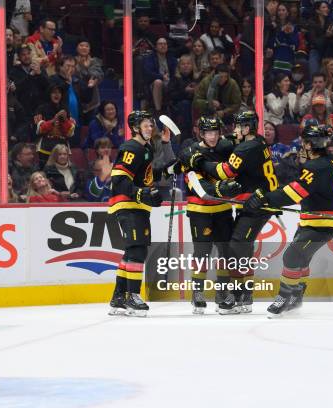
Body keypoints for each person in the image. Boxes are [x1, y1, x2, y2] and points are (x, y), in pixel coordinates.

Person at [243, 124, 333, 316]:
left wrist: (265, 199)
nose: (302, 145)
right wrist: (273, 197)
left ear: (308, 145)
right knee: (303, 257)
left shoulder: (316, 166)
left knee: (291, 256)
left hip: (324, 221)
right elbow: (303, 185)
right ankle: (296, 297)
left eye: (304, 142)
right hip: (317, 218)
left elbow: (295, 192)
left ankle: (284, 297)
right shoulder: (329, 161)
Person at [184, 111, 279, 313]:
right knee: (230, 249)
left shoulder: (242, 148)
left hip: (251, 205)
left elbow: (223, 172)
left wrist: (199, 161)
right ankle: (233, 295)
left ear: (246, 128)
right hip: (246, 203)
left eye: (237, 126)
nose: (233, 130)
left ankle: (238, 296)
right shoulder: (258, 142)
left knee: (235, 247)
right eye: (208, 132)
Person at [165, 117, 241, 314]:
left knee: (225, 252)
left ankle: (222, 291)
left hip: (223, 209)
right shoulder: (191, 152)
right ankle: (197, 292)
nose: (213, 136)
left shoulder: (224, 148)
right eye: (209, 133)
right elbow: (193, 182)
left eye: (215, 132)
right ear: (201, 133)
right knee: (202, 253)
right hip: (200, 210)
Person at [107, 111, 165, 317]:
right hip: (127, 204)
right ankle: (133, 295)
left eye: (151, 125)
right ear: (135, 128)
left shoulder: (146, 148)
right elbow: (118, 179)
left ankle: (119, 297)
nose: (151, 128)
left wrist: (167, 167)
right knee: (138, 250)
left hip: (136, 205)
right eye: (146, 125)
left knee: (132, 250)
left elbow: (149, 174)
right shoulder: (131, 147)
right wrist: (141, 193)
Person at [34, 84, 75, 165]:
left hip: (63, 146)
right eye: (54, 92)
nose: (57, 95)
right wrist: (53, 120)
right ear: (49, 94)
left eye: (59, 93)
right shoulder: (41, 109)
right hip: (46, 146)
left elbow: (70, 133)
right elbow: (39, 130)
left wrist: (65, 120)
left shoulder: (65, 109)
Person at [142, 37, 177, 114]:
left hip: (170, 83)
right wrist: (161, 77)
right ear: (156, 47)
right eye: (160, 44)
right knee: (158, 82)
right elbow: (148, 73)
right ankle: (158, 111)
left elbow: (176, 73)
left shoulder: (172, 58)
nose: (163, 46)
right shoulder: (150, 58)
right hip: (154, 84)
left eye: (165, 44)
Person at [85, 137, 113, 202]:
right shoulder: (93, 166)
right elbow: (92, 195)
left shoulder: (117, 165)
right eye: (103, 147)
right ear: (97, 150)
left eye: (108, 147)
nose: (106, 149)